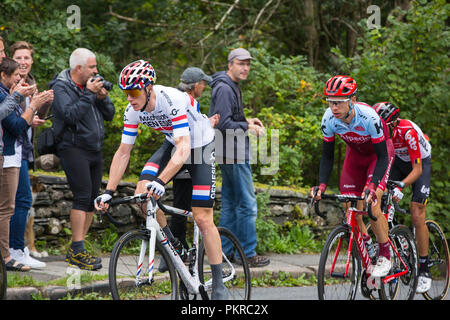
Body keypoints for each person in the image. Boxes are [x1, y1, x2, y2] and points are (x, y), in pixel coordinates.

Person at [94, 60, 228, 299]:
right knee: (143, 195)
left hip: (200, 147)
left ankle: (219, 284)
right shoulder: (133, 110)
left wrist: (162, 181)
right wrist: (109, 191)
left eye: (134, 92)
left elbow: (185, 148)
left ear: (148, 88)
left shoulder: (173, 99)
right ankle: (176, 246)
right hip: (173, 145)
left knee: (202, 217)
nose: (129, 98)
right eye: (125, 93)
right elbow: (123, 152)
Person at [311, 75, 394, 277]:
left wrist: (373, 186)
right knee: (349, 205)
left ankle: (385, 253)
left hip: (378, 156)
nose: (334, 107)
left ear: (353, 100)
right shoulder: (328, 119)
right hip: (355, 157)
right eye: (330, 102)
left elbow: (383, 156)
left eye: (339, 102)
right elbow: (327, 156)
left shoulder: (369, 118)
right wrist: (321, 185)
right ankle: (367, 244)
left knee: (372, 202)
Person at [50, 48, 115, 270]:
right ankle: (77, 249)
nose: (97, 71)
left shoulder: (93, 87)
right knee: (82, 196)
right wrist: (88, 94)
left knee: (92, 199)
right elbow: (69, 116)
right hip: (73, 148)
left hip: (94, 148)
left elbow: (110, 114)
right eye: (92, 67)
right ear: (79, 68)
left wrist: (102, 99)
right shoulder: (61, 87)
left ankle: (79, 249)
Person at [208, 48, 270, 268]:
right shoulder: (225, 88)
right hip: (232, 152)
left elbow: (229, 117)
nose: (245, 68)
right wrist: (247, 127)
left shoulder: (229, 85)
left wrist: (247, 120)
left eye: (247, 64)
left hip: (228, 152)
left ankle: (225, 252)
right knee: (247, 204)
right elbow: (223, 124)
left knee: (231, 204)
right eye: (241, 63)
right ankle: (247, 253)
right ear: (230, 64)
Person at [373, 102, 432, 293]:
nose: (380, 130)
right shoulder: (379, 131)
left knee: (416, 212)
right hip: (398, 161)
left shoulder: (407, 131)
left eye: (384, 126)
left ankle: (424, 267)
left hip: (419, 163)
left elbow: (417, 169)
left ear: (394, 123)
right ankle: (398, 239)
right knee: (380, 199)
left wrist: (402, 186)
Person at [0, 58, 51, 271]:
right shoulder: (4, 94)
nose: (20, 80)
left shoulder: (8, 94)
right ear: (4, 75)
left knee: (13, 205)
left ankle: (13, 252)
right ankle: (8, 255)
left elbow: (21, 120)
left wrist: (35, 108)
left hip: (14, 153)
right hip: (9, 155)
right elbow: (15, 125)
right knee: (8, 208)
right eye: (16, 76)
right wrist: (33, 104)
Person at [171, 67, 214, 249]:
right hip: (189, 158)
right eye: (203, 84)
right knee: (192, 209)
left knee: (179, 207)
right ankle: (180, 249)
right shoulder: (186, 100)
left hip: (179, 158)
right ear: (195, 85)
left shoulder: (175, 98)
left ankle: (177, 249)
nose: (204, 87)